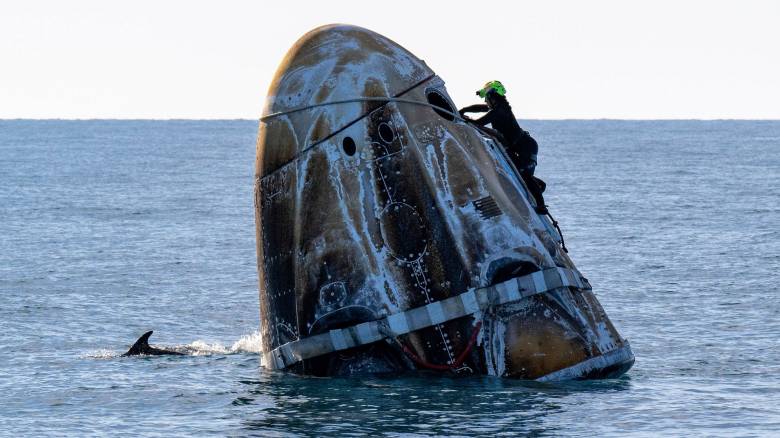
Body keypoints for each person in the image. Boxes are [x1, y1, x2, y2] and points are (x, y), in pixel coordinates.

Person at [459, 81, 548, 214]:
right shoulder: (498, 107)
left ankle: (541, 206)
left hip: (527, 147)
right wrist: (464, 110)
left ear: (492, 96)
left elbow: (479, 123)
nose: (485, 100)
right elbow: (481, 108)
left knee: (525, 175)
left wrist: (464, 117)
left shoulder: (499, 111)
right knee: (519, 172)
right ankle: (539, 185)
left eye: (486, 97)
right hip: (517, 147)